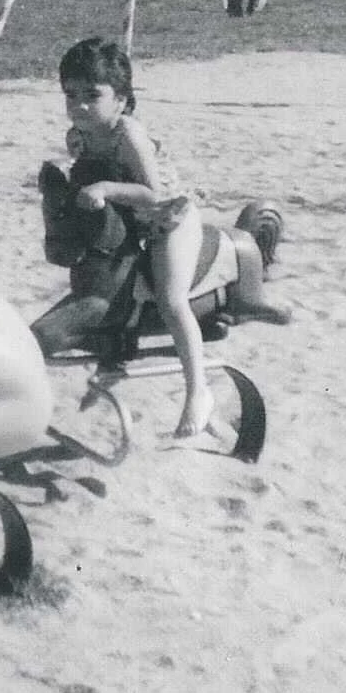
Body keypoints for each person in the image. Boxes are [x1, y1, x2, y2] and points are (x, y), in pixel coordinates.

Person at [54, 38, 213, 438]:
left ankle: (198, 390)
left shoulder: (129, 134)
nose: (80, 105)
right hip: (128, 220)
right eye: (71, 95)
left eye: (93, 95)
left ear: (121, 100)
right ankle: (114, 356)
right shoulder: (82, 131)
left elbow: (152, 194)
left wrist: (105, 187)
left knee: (170, 297)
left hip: (166, 218)